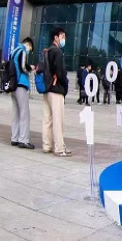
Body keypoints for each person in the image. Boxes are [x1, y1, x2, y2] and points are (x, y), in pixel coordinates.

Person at [43, 27, 72, 157]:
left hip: (47, 88)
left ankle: (47, 145)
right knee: (58, 120)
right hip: (56, 89)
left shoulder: (47, 51)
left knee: (47, 119)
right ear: (56, 37)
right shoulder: (58, 52)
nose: (64, 39)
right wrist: (65, 86)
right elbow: (60, 72)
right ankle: (59, 148)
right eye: (62, 36)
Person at [10, 37, 36, 149]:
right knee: (24, 113)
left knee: (16, 112)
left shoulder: (13, 52)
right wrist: (31, 68)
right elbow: (23, 67)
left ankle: (14, 138)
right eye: (30, 49)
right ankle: (23, 140)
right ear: (28, 45)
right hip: (21, 83)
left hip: (13, 85)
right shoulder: (22, 51)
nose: (29, 51)